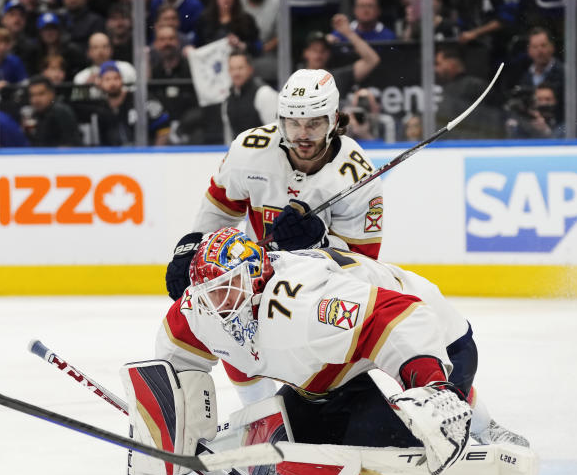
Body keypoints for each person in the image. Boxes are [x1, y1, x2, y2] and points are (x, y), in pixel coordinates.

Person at [126, 227, 577, 475]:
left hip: (432, 329)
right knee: (326, 429)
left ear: (258, 279)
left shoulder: (301, 303)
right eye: (208, 294)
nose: (217, 306)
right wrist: (175, 435)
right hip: (339, 365)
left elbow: (396, 318)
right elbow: (177, 357)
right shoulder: (204, 312)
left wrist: (434, 389)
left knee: (431, 431)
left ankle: (486, 429)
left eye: (227, 290)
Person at [164, 68, 385, 302]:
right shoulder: (249, 151)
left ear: (334, 120)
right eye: (293, 123)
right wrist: (196, 253)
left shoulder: (359, 176)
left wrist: (319, 244)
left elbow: (364, 268)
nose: (302, 135)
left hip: (322, 296)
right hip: (256, 286)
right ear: (280, 120)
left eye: (314, 124)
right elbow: (219, 212)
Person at [92, 61, 170, 146]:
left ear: (122, 79)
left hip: (146, 152)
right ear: (100, 83)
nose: (112, 83)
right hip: (116, 156)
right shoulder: (101, 109)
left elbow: (163, 127)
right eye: (107, 79)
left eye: (116, 78)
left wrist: (156, 154)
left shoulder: (141, 99)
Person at [222, 51, 276, 142]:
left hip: (264, 153)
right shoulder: (227, 100)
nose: (236, 73)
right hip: (239, 153)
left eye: (240, 68)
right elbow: (228, 138)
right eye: (232, 69)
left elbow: (277, 133)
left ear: (250, 69)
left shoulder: (264, 93)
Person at [23, 74, 81, 146]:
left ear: (51, 94)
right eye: (32, 95)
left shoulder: (61, 112)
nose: (36, 99)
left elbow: (70, 145)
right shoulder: (32, 115)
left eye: (41, 94)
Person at [329, 0, 396, 43]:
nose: (365, 10)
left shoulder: (388, 36)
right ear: (354, 10)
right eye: (361, 6)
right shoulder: (342, 32)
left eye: (370, 6)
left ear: (378, 10)